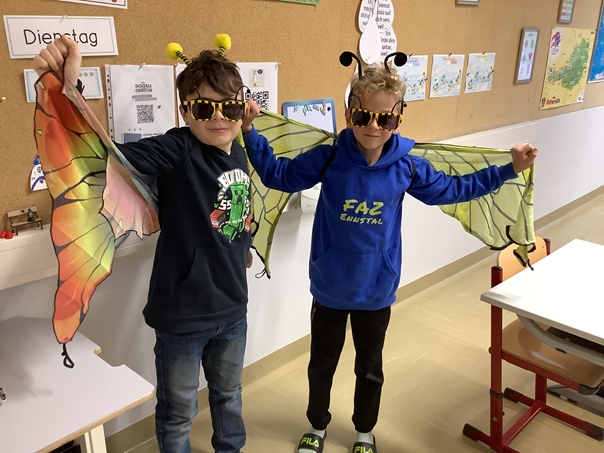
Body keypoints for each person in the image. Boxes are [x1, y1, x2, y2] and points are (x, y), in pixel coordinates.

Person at [241, 51, 538, 453]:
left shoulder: (407, 166)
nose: (373, 127)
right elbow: (280, 176)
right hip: (330, 287)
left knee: (369, 368)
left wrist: (508, 168)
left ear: (399, 119)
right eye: (364, 117)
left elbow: (454, 189)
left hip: (376, 289)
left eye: (386, 119)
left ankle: (364, 431)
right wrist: (249, 132)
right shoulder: (330, 156)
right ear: (349, 114)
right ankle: (317, 425)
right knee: (322, 364)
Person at [34, 34, 256, 453]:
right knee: (178, 410)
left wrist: (242, 246)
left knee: (229, 396)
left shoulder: (239, 153)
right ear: (185, 110)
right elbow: (108, 156)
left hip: (233, 310)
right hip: (182, 316)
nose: (218, 118)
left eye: (229, 107)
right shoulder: (179, 147)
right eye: (203, 108)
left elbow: (234, 210)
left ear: (241, 107)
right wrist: (70, 89)